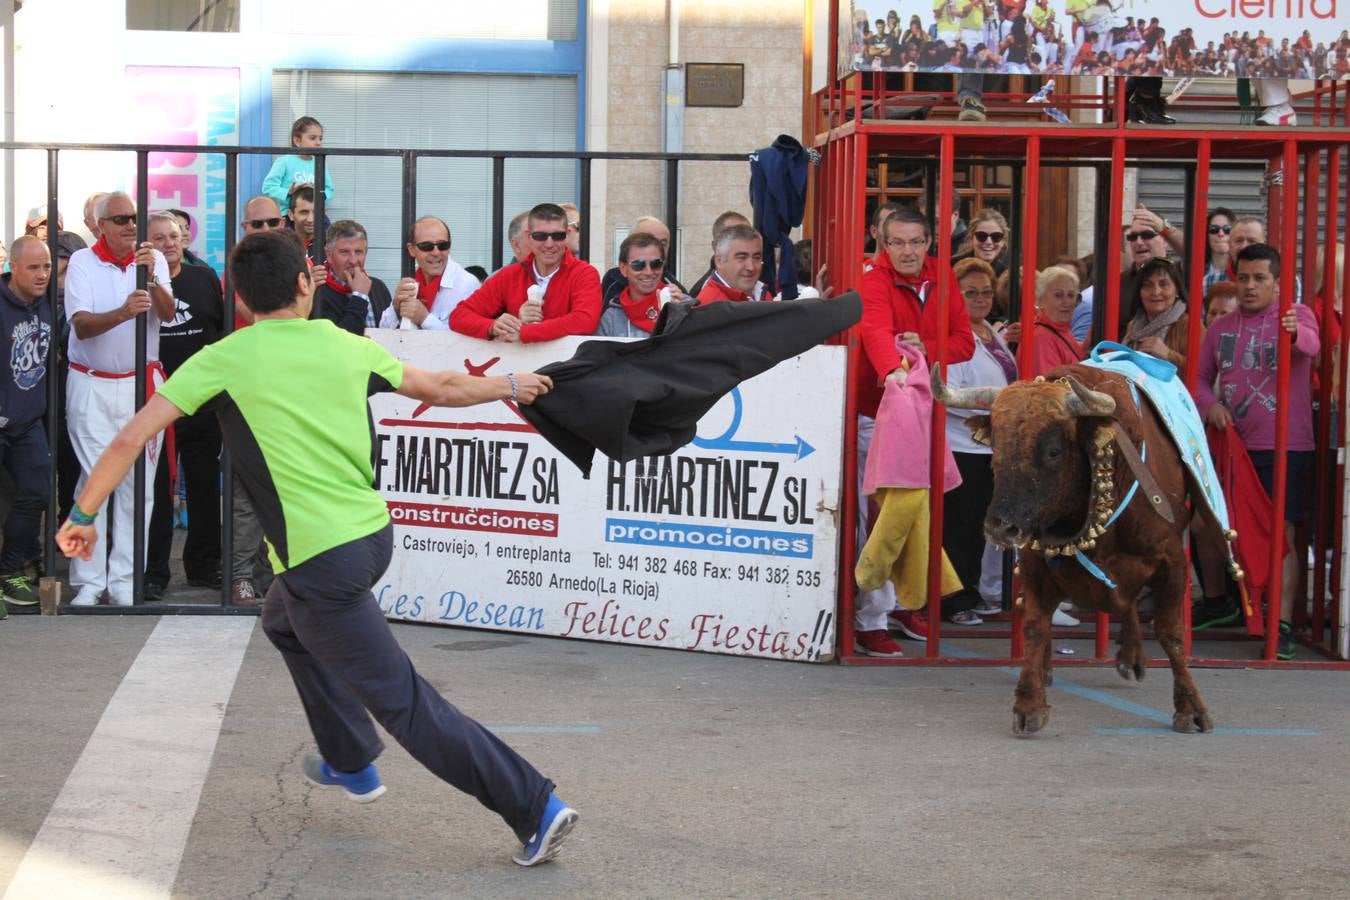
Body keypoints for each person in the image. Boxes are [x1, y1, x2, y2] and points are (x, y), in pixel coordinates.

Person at [55, 228, 578, 867]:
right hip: (368, 538)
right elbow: (440, 388)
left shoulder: (225, 356)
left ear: (240, 301)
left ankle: (534, 804)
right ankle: (350, 758)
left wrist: (83, 514)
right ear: (306, 285)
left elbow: (129, 438)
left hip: (322, 562)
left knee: (406, 703)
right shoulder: (343, 342)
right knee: (284, 620)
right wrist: (509, 386)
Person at [856, 205, 975, 652]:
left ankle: (905, 605)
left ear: (930, 242)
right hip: (877, 412)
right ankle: (871, 620)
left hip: (924, 414)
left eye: (915, 241)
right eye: (897, 242)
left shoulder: (940, 277)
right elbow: (875, 331)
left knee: (917, 514)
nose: (906, 250)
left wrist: (926, 346)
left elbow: (964, 341)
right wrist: (893, 371)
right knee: (887, 515)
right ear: (882, 243)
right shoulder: (873, 278)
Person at [1195, 243, 1319, 660]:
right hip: (1233, 449)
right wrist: (1209, 405)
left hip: (1286, 445)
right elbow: (1198, 380)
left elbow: (1312, 347)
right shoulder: (1220, 328)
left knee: (1281, 537)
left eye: (1259, 279)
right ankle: (1234, 605)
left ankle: (1280, 623)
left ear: (1278, 283)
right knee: (1214, 526)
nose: (1250, 286)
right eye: (1243, 278)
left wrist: (1295, 332)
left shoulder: (1296, 315)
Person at [64, 191, 175, 606]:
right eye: (121, 219)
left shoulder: (153, 259)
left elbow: (165, 312)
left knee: (137, 485)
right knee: (95, 481)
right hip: (91, 383)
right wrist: (125, 311)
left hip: (140, 386)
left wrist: (150, 278)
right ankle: (89, 582)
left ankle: (126, 581)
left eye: (134, 218)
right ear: (100, 225)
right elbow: (82, 327)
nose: (131, 225)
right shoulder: (82, 262)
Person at [144, 212, 224, 601]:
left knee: (206, 486)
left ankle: (205, 566)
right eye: (159, 238)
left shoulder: (204, 278)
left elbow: (219, 333)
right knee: (157, 488)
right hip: (157, 400)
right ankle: (153, 572)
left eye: (174, 236)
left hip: (202, 399)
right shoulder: (142, 284)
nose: (169, 244)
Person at [940, 258, 1017, 626]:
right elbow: (949, 393)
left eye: (986, 292)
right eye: (971, 292)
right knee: (959, 527)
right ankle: (953, 601)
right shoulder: (953, 333)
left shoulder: (988, 329)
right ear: (955, 294)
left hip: (990, 444)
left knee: (979, 526)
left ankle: (972, 591)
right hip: (961, 443)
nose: (981, 298)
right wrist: (996, 406)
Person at [449, 203, 602, 342]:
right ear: (529, 237)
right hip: (518, 367)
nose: (549, 244)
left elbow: (585, 321)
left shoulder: (584, 273)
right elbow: (459, 316)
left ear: (567, 235)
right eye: (540, 236)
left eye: (557, 236)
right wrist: (493, 326)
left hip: (568, 369)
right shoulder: (509, 275)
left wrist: (525, 332)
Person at [0, 237, 54, 612]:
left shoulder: (47, 302)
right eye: (33, 267)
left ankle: (8, 573)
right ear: (13, 268)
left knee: (36, 492)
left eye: (47, 267)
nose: (42, 275)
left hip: (27, 421)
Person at [382, 216, 480, 330]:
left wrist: (424, 318)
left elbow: (467, 341)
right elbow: (383, 329)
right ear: (411, 250)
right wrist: (395, 307)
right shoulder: (411, 277)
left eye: (443, 245)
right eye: (427, 246)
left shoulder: (467, 284)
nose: (436, 252)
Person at [314, 220, 391, 335]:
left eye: (359, 252)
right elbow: (338, 341)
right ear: (329, 255)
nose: (353, 260)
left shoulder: (378, 287)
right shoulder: (318, 291)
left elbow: (391, 335)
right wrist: (359, 298)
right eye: (344, 252)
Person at [596, 232, 674, 337]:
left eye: (656, 264)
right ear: (623, 268)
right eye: (638, 265)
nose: (648, 272)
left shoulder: (682, 305)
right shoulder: (611, 319)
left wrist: (677, 314)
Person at [1122, 257, 1194, 370]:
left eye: (1164, 284)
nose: (1155, 292)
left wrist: (1168, 354)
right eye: (1148, 285)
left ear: (1177, 290)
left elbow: (1202, 373)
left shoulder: (1190, 325)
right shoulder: (1133, 325)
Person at [599, 216, 685, 303]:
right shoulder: (612, 278)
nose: (655, 248)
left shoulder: (676, 293)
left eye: (662, 243)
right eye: (645, 241)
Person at [261, 116, 335, 212]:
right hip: (288, 215)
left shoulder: (320, 163)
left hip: (314, 214)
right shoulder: (284, 162)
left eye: (320, 138)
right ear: (297, 141)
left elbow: (329, 189)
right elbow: (268, 188)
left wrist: (320, 196)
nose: (318, 143)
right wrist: (288, 192)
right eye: (313, 138)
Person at [1028, 264, 1084, 377]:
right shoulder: (1041, 338)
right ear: (1039, 300)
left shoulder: (1060, 329)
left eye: (1071, 295)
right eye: (1058, 295)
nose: (1067, 302)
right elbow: (1051, 387)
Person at [696, 224, 772, 304]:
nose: (751, 267)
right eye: (741, 258)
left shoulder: (762, 293)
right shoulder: (710, 307)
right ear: (719, 261)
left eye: (756, 258)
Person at [687, 211, 751, 296]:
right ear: (716, 247)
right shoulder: (703, 295)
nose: (744, 244)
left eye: (748, 236)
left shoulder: (759, 287)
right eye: (734, 238)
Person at [953, 207, 1010, 276]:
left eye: (996, 236)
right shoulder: (951, 267)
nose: (989, 242)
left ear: (1003, 240)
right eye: (981, 236)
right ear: (971, 238)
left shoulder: (1007, 274)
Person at [1201, 207, 1237, 296]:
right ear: (1207, 235)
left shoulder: (1242, 270)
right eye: (1214, 229)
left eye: (1227, 229)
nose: (1221, 234)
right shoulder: (1195, 271)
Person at [287, 186, 318, 256]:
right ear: (291, 214)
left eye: (316, 212)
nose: (310, 219)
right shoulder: (280, 246)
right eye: (304, 212)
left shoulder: (331, 246)